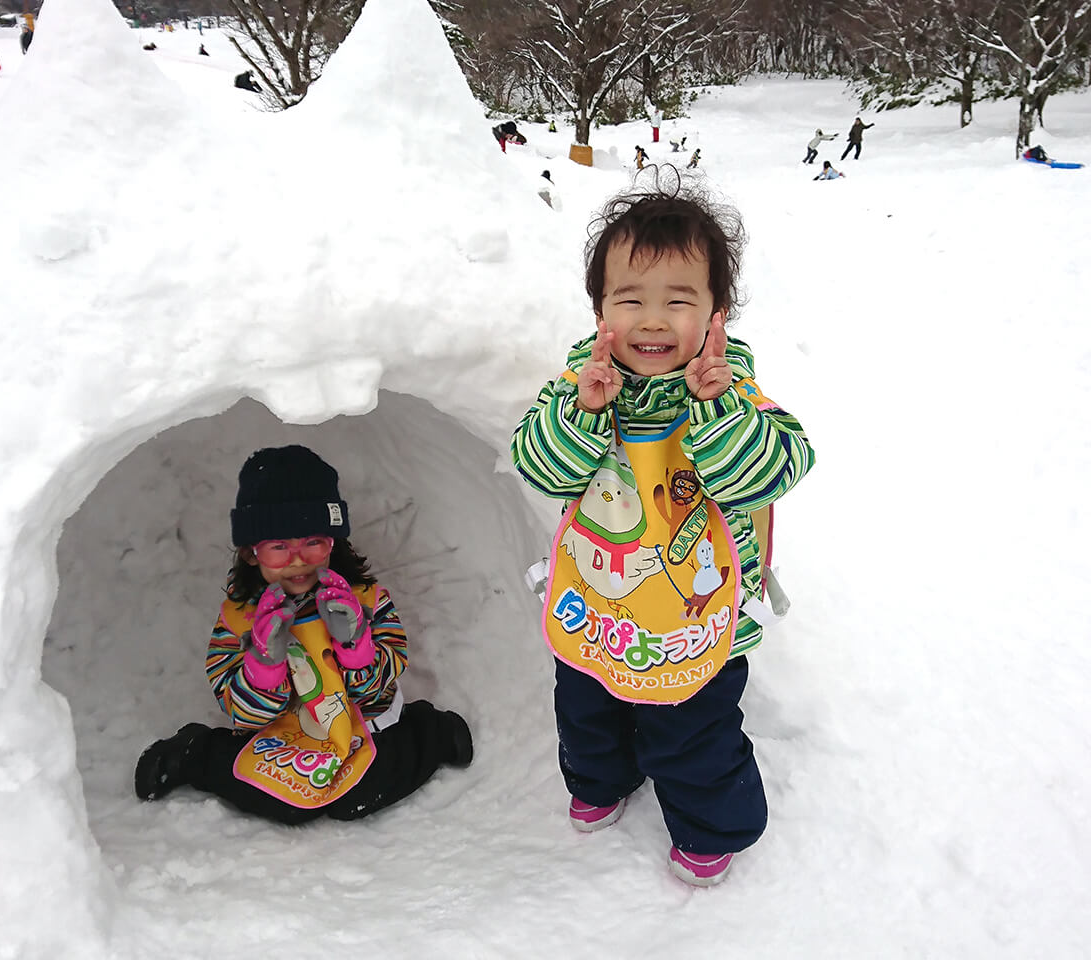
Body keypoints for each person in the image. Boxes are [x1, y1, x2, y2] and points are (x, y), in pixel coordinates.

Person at [509, 178, 815, 887]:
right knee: (587, 706)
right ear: (600, 310)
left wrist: (716, 414)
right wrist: (581, 415)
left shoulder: (732, 392)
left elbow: (772, 472)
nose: (653, 321)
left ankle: (712, 825)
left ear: (716, 312)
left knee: (692, 729)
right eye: (630, 300)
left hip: (693, 619)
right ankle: (600, 780)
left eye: (678, 300)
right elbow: (541, 468)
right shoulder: (581, 386)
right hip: (599, 608)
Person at [134, 445, 474, 824]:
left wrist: (356, 647)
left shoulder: (365, 601)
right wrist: (264, 665)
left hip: (362, 727)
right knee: (283, 804)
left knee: (358, 797)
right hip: (283, 738)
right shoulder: (239, 620)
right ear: (251, 554)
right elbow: (241, 713)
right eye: (279, 548)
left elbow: (382, 683)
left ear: (334, 543)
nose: (298, 560)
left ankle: (429, 732)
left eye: (312, 543)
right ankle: (196, 753)